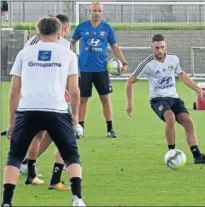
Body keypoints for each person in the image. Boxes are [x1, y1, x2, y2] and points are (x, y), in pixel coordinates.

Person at [1, 17, 86, 207]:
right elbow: (74, 91)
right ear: (59, 33)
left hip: (27, 109)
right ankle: (77, 199)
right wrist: (75, 119)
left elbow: (14, 90)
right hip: (56, 110)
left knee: (14, 156)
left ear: (38, 34)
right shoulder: (68, 54)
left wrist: (11, 122)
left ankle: (6, 202)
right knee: (71, 155)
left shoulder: (25, 53)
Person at [126, 34, 205, 164]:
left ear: (166, 46)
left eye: (162, 47)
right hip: (157, 99)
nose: (160, 51)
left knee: (188, 121)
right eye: (157, 48)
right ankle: (171, 153)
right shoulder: (147, 64)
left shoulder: (173, 59)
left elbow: (182, 76)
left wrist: (200, 90)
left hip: (174, 98)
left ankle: (197, 156)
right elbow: (130, 81)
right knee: (170, 117)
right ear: (152, 47)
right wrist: (129, 103)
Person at [19, 14, 72, 191]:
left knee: (45, 135)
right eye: (64, 29)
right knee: (60, 135)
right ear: (60, 29)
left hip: (47, 97)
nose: (65, 32)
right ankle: (51, 177)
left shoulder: (63, 46)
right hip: (46, 100)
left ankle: (30, 169)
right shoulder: (37, 45)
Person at [70, 2, 128, 138]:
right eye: (94, 10)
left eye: (99, 10)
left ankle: (110, 129)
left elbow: (115, 47)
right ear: (90, 11)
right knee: (83, 100)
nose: (97, 12)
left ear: (102, 12)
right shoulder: (82, 27)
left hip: (101, 70)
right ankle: (80, 130)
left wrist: (124, 63)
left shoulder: (107, 28)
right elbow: (72, 42)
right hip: (84, 70)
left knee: (105, 99)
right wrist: (71, 55)